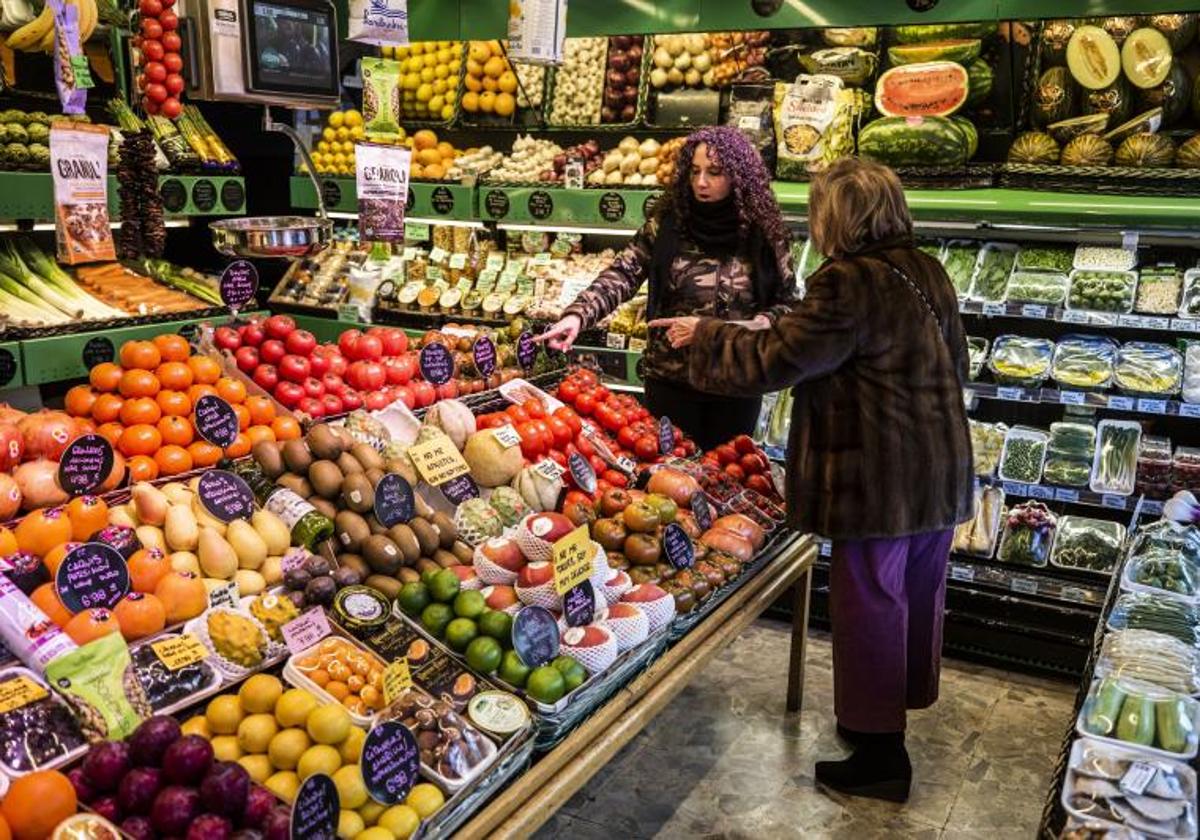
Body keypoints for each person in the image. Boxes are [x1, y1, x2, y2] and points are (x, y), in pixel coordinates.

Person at [650, 157, 974, 803]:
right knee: (910, 596)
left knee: (871, 602)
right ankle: (879, 720)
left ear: (841, 217)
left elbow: (781, 360)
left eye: (820, 211)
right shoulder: (926, 269)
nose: (814, 224)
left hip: (877, 474)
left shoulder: (847, 282)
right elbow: (949, 360)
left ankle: (882, 758)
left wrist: (705, 335)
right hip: (937, 467)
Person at [537, 125, 798, 451]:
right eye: (695, 171)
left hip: (736, 383)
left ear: (738, 176)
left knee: (727, 480)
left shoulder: (765, 234)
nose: (701, 182)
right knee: (669, 477)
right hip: (671, 382)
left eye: (715, 173)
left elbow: (788, 307)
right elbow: (623, 273)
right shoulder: (668, 222)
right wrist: (577, 316)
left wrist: (722, 329)